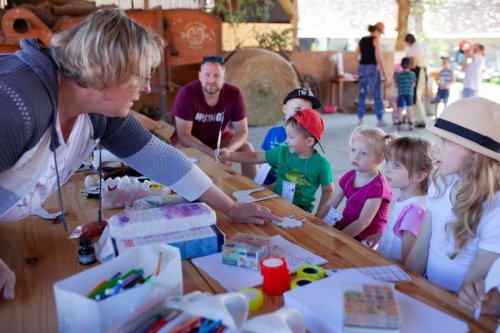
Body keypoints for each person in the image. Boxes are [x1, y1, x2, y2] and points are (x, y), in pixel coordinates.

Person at [0, 9, 278, 300]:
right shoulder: (17, 102)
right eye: (142, 76)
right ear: (107, 71)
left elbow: (163, 159)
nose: (146, 88)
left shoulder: (99, 111)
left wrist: (231, 208)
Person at [405, 97, 500, 293]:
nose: (434, 148)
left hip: (458, 302)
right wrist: (406, 286)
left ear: (475, 153)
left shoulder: (494, 207)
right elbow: (422, 244)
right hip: (425, 284)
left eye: (445, 141)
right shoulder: (441, 182)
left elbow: (474, 284)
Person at [219, 109, 334, 217]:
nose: (286, 140)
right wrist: (229, 155)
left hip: (301, 209)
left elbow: (328, 190)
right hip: (275, 199)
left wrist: (319, 215)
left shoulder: (322, 165)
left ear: (309, 141)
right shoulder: (283, 150)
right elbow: (256, 157)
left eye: (291, 137)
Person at [171, 55, 257, 179]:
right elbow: (184, 136)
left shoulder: (234, 94)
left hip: (220, 141)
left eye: (217, 76)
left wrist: (227, 151)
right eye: (207, 75)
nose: (211, 80)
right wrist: (211, 153)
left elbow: (242, 131)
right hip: (190, 141)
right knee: (179, 151)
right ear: (200, 76)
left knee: (247, 147)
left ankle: (256, 191)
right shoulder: (186, 93)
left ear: (224, 77)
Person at [318, 126, 392, 241]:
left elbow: (363, 222)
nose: (356, 156)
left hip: (365, 237)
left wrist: (337, 238)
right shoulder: (349, 176)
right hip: (346, 227)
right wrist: (314, 221)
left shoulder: (377, 187)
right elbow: (331, 203)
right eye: (353, 150)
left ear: (379, 159)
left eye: (363, 153)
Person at [377, 137, 433, 263]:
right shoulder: (404, 198)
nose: (387, 169)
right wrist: (379, 237)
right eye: (388, 162)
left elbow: (407, 260)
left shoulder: (414, 211)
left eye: (396, 165)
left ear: (418, 176)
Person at [260, 87, 321, 185]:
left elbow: (303, 168)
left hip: (291, 183)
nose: (302, 115)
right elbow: (264, 159)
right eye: (298, 109)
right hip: (268, 178)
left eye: (307, 112)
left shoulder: (306, 138)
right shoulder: (273, 132)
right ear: (285, 109)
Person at [354, 22, 388, 127]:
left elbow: (355, 55)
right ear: (377, 31)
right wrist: (384, 72)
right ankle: (379, 119)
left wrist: (362, 64)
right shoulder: (375, 40)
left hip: (362, 68)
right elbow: (378, 58)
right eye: (381, 33)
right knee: (376, 93)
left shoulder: (362, 40)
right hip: (372, 69)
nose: (380, 35)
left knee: (361, 93)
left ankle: (360, 119)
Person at [404, 33, 427, 128]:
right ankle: (420, 119)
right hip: (422, 71)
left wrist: (406, 67)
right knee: (417, 97)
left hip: (418, 71)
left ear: (409, 41)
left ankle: (421, 120)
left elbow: (413, 64)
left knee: (416, 97)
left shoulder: (413, 48)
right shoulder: (420, 45)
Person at [395, 57, 417, 130]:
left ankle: (400, 123)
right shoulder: (412, 74)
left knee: (400, 108)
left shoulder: (398, 75)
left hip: (401, 93)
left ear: (401, 65)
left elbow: (397, 85)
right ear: (410, 65)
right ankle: (411, 123)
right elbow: (413, 85)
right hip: (409, 93)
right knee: (410, 108)